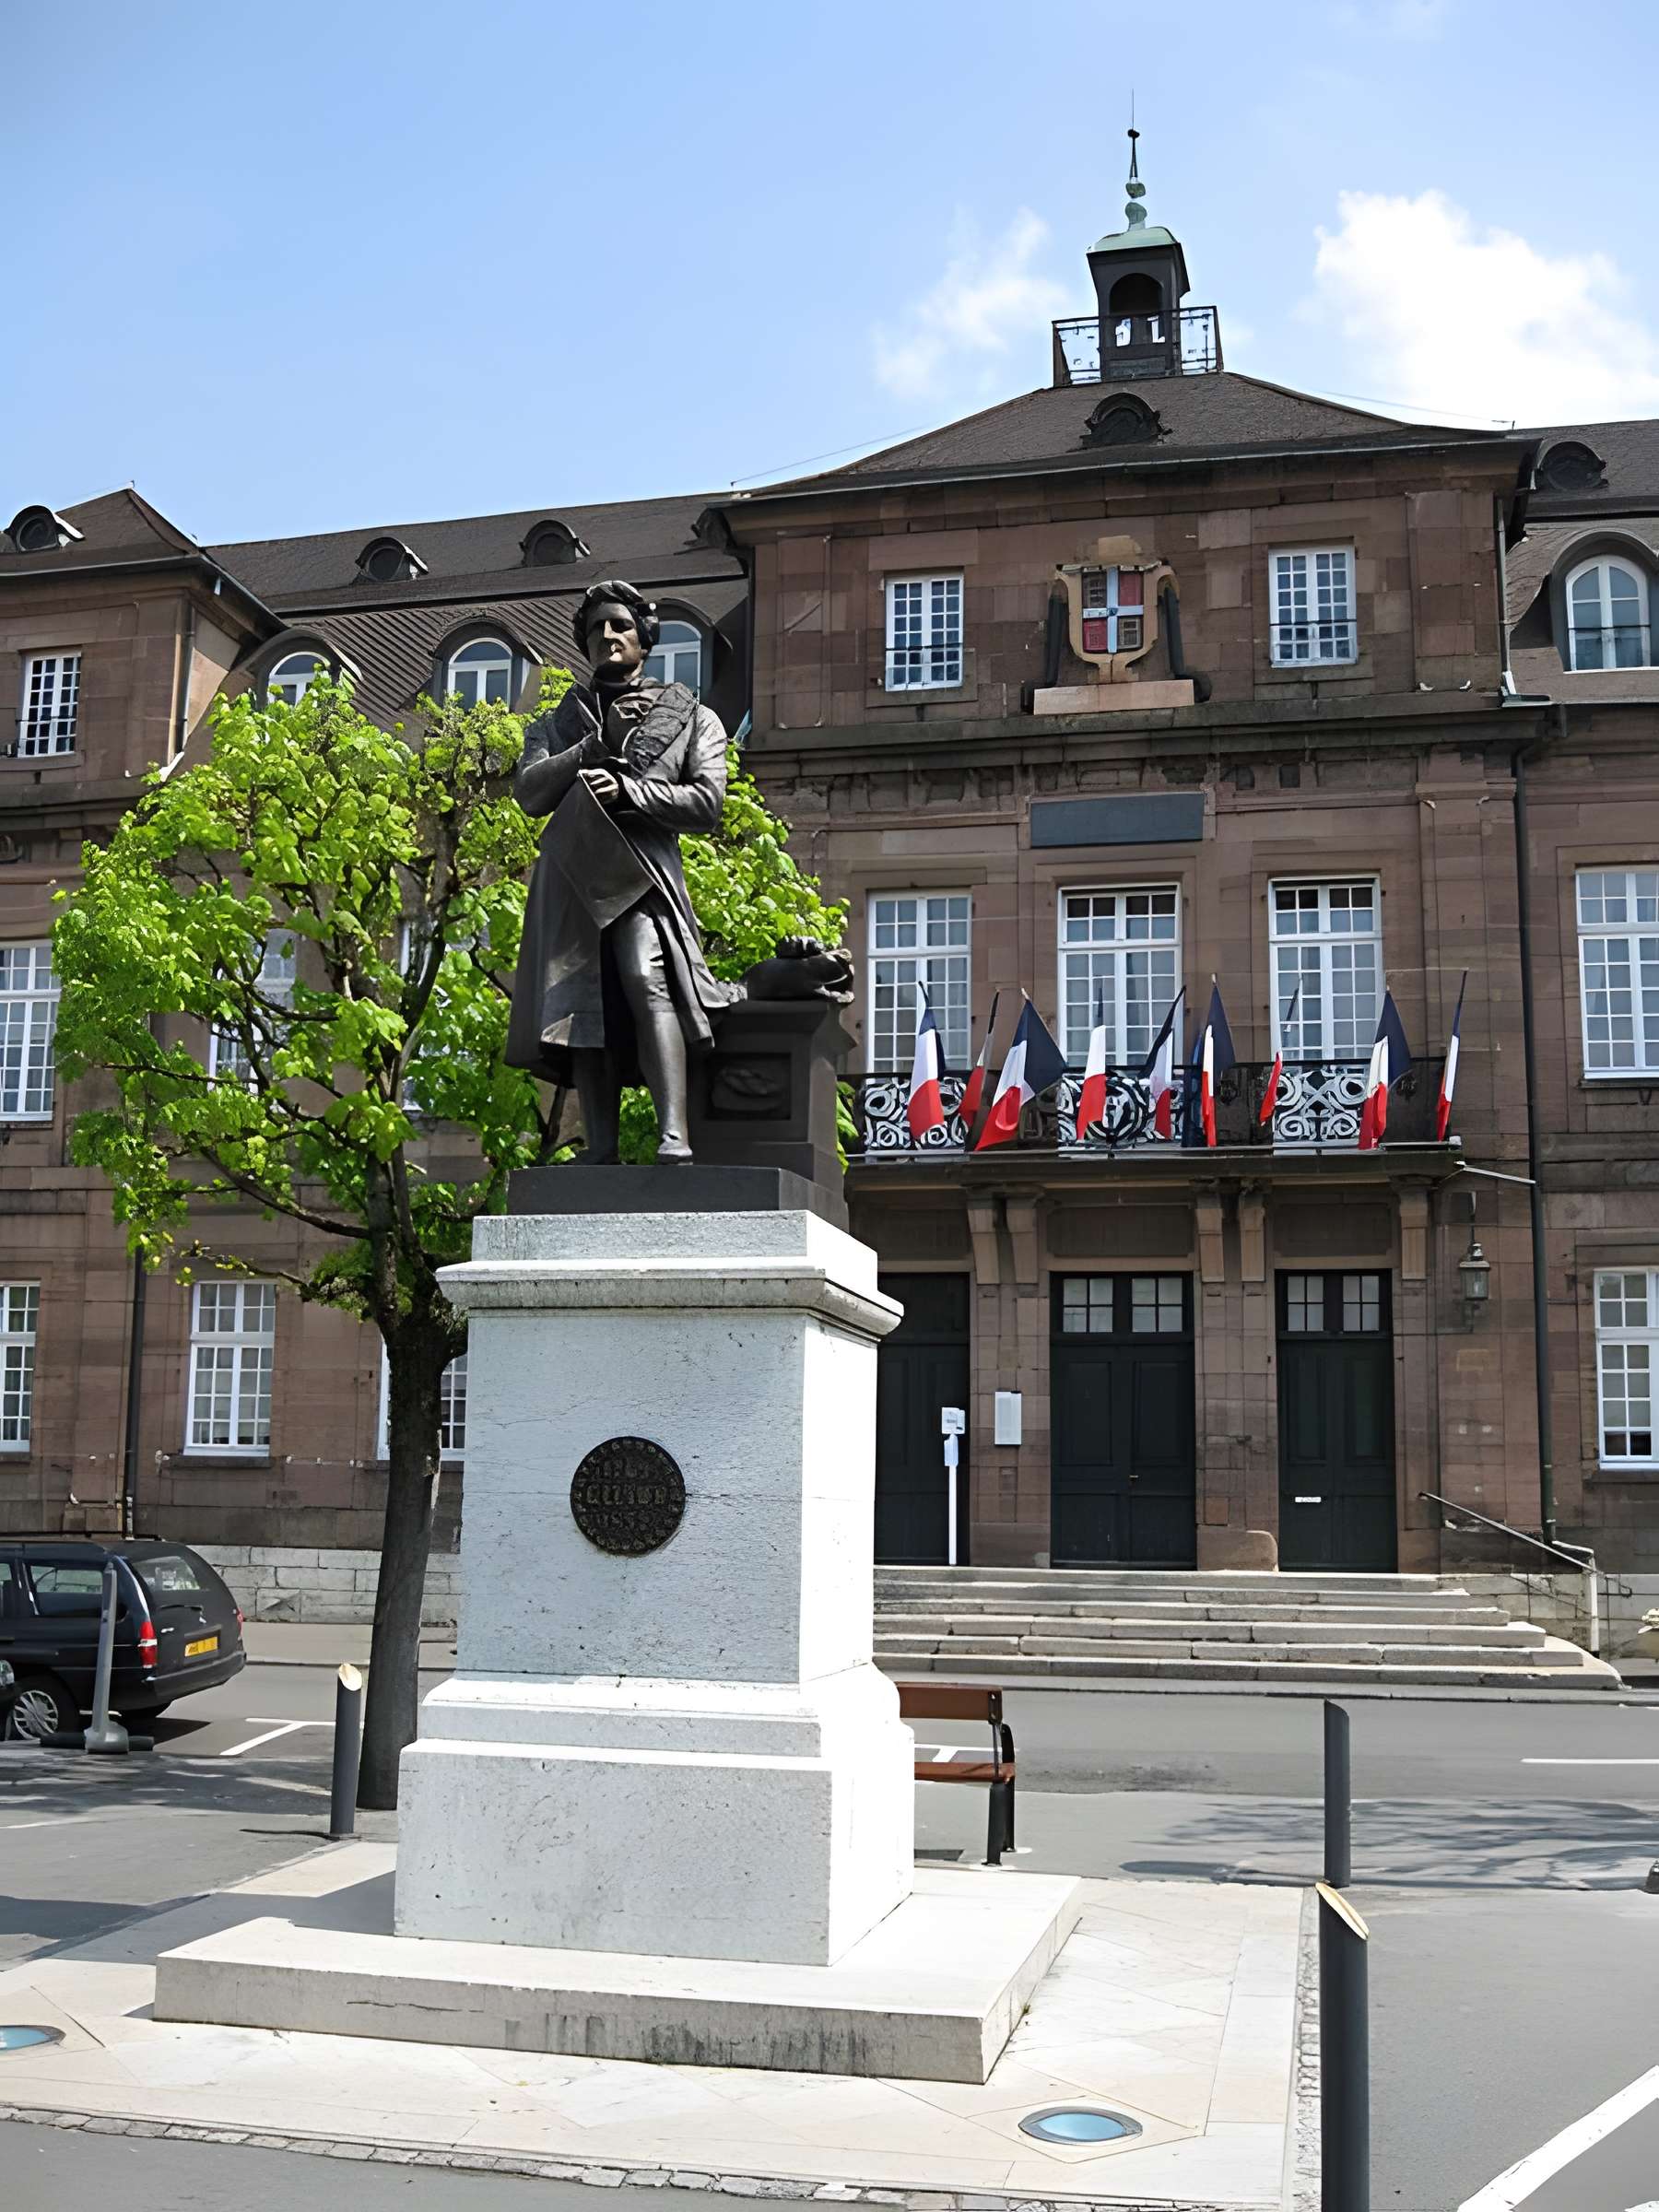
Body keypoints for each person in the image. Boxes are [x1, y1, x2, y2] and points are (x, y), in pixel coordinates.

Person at [505, 580, 732, 1163]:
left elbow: (705, 805)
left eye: (620, 625)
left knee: (642, 976)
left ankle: (673, 1134)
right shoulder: (562, 718)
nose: (607, 635)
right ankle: (601, 1150)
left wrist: (632, 792)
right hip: (573, 876)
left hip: (641, 876)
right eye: (595, 628)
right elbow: (529, 792)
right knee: (581, 1002)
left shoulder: (691, 716)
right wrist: (590, 749)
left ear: (645, 637)